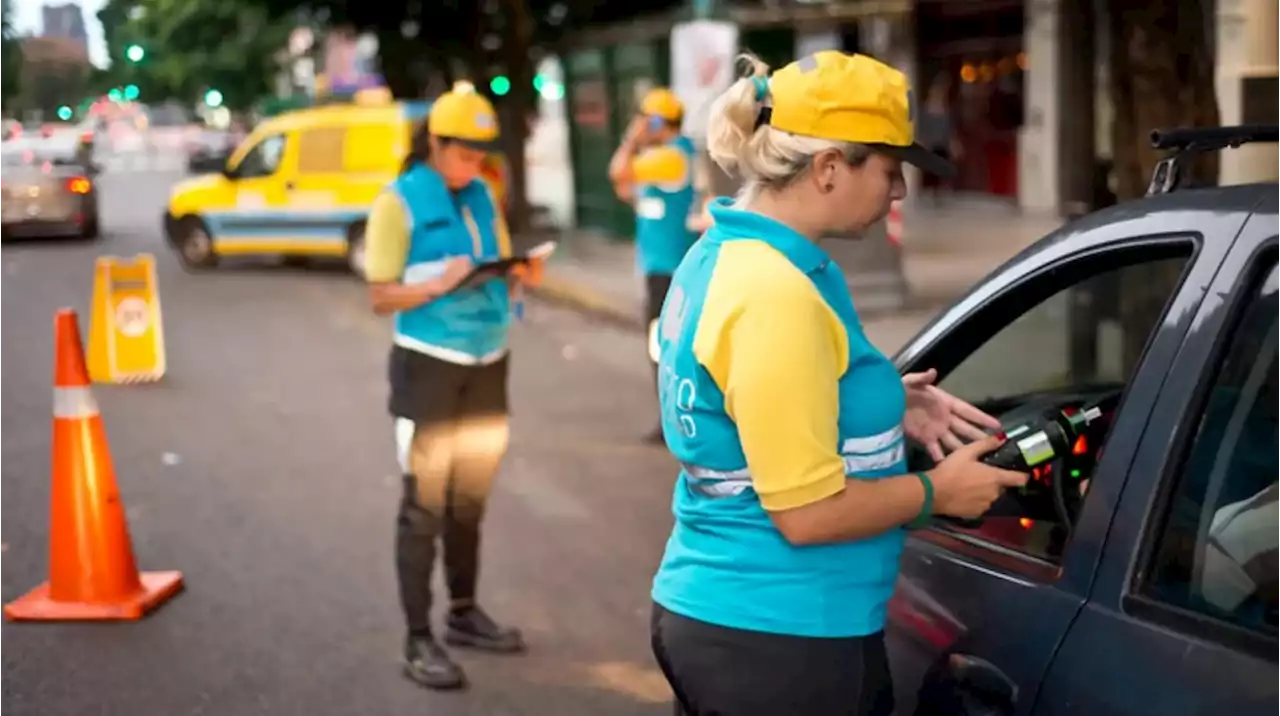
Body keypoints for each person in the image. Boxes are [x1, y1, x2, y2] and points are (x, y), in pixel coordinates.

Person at [647, 51, 1030, 716]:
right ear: (828, 168)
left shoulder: (732, 256)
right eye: (890, 169)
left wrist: (884, 400)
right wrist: (938, 492)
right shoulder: (774, 294)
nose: (900, 190)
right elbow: (807, 514)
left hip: (734, 623)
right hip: (782, 640)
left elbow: (747, 405)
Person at [363, 83, 535, 691]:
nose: (474, 165)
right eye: (464, 153)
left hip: (488, 362)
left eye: (481, 154)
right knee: (425, 507)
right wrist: (438, 284)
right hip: (429, 367)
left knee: (471, 499)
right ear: (435, 142)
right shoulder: (398, 203)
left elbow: (502, 262)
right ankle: (418, 637)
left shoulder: (484, 193)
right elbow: (380, 295)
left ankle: (463, 613)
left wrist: (518, 276)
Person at [608, 87, 700, 444]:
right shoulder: (664, 158)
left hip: (669, 269)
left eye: (645, 118)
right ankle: (672, 419)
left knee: (665, 346)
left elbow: (618, 172)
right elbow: (627, 191)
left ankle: (677, 422)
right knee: (664, 345)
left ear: (659, 121)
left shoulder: (670, 157)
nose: (640, 124)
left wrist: (632, 139)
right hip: (661, 267)